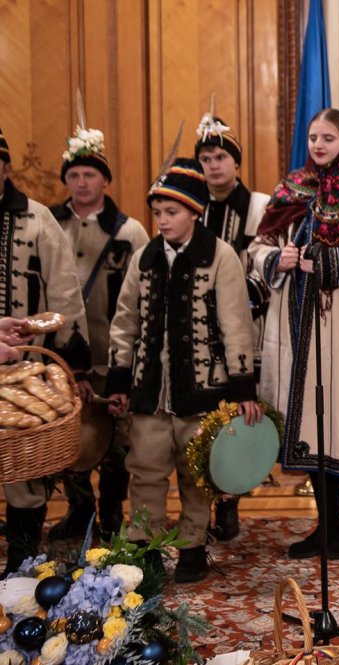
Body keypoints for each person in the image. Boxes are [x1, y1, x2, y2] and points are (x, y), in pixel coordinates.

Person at [106, 158, 260, 583]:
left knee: (196, 473)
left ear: (194, 211)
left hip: (202, 390)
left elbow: (236, 325)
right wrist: (119, 377)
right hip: (151, 391)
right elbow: (125, 322)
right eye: (157, 212)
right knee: (146, 470)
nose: (162, 220)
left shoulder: (220, 257)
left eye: (171, 212)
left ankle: (192, 545)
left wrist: (242, 387)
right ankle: (147, 546)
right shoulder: (144, 258)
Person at [248, 108, 339, 561]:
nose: (319, 145)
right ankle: (327, 526)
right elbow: (258, 246)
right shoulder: (292, 189)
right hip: (300, 326)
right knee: (315, 424)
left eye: (328, 137)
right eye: (313, 138)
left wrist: (322, 263)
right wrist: (277, 260)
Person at [49, 123, 149, 542]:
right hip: (60, 356)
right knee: (69, 436)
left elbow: (142, 298)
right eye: (73, 175)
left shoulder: (130, 232)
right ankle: (79, 508)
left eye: (89, 174)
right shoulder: (50, 224)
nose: (81, 182)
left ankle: (110, 512)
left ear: (105, 179)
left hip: (113, 354)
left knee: (117, 440)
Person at [0, 127, 91, 576]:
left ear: (5, 167)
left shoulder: (38, 220)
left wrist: (73, 365)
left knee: (23, 472)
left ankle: (21, 561)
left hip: (28, 372)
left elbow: (66, 298)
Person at [194, 111, 270, 542]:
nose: (213, 165)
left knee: (237, 414)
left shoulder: (259, 206)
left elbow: (265, 266)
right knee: (203, 417)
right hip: (201, 333)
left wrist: (238, 303)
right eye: (205, 159)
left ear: (236, 162)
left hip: (247, 327)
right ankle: (202, 501)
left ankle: (230, 498)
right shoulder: (192, 205)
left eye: (221, 157)